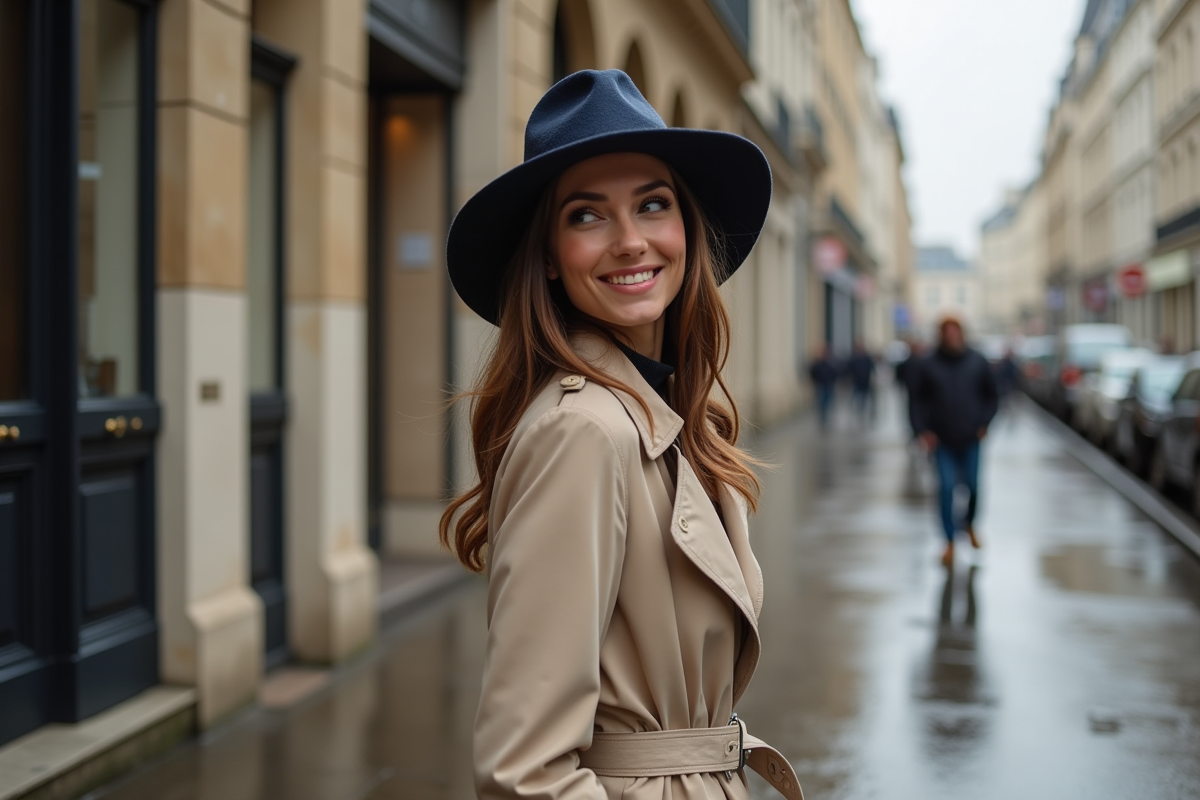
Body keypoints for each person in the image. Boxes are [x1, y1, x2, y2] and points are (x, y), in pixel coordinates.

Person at [442, 70, 802, 800]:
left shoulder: (663, 412)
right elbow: (525, 774)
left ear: (687, 227)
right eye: (586, 216)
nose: (631, 241)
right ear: (547, 254)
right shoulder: (582, 433)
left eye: (653, 204)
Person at [910, 317, 999, 566]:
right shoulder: (928, 365)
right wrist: (922, 430)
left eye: (955, 332)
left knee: (973, 486)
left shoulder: (977, 361)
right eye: (946, 332)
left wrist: (985, 423)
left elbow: (992, 395)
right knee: (946, 488)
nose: (951, 337)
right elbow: (916, 400)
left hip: (971, 438)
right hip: (941, 441)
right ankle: (948, 540)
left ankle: (969, 524)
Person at [808, 344, 839, 429]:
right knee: (821, 402)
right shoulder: (817, 364)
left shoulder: (831, 363)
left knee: (828, 401)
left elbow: (835, 373)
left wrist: (833, 380)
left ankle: (826, 416)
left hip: (829, 384)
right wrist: (815, 381)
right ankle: (823, 416)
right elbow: (813, 373)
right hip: (820, 384)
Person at [846, 341, 876, 423]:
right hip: (856, 382)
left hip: (865, 381)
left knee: (864, 398)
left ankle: (862, 411)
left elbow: (872, 368)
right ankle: (858, 411)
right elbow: (849, 369)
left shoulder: (867, 358)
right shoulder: (853, 358)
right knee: (857, 397)